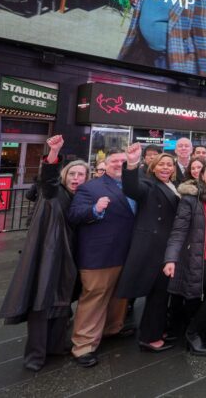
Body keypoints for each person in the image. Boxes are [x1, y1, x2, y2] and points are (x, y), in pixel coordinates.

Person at [0, 135, 87, 371]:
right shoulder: (54, 192)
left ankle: (56, 346)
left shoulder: (81, 198)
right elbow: (47, 179)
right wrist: (53, 153)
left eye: (81, 175)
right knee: (41, 304)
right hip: (48, 256)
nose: (76, 179)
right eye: (72, 174)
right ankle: (35, 355)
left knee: (63, 303)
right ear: (64, 176)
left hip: (69, 258)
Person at [68, 148, 136, 367]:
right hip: (100, 254)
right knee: (94, 298)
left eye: (123, 161)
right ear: (104, 164)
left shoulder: (134, 185)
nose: (119, 164)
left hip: (127, 252)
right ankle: (83, 346)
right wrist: (95, 210)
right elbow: (74, 214)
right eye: (114, 161)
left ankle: (112, 328)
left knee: (119, 295)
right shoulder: (90, 187)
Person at [115, 144, 179, 352]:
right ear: (153, 167)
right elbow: (131, 189)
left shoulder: (173, 185)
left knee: (162, 294)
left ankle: (155, 330)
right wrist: (132, 163)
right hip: (153, 247)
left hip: (166, 245)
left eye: (169, 165)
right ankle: (149, 338)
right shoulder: (148, 185)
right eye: (161, 164)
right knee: (158, 293)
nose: (166, 168)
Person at [164, 162, 206, 356]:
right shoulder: (190, 199)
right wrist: (170, 259)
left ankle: (203, 326)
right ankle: (192, 333)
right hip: (201, 253)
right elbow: (179, 230)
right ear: (201, 175)